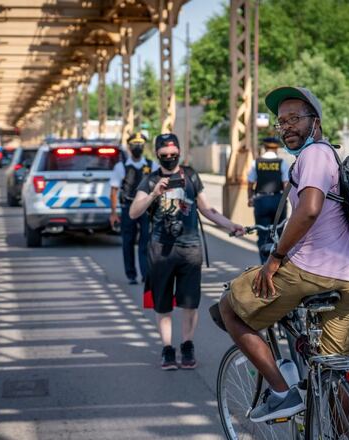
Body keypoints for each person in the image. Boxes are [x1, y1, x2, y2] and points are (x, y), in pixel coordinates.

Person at [218, 87, 349, 422]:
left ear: (315, 121)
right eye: (281, 122)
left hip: (314, 270)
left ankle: (282, 394)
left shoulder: (314, 155)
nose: (286, 127)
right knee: (331, 371)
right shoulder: (330, 155)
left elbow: (310, 209)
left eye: (294, 118)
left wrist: (275, 258)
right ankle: (345, 432)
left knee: (230, 307)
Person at [129, 133, 244, 370]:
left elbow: (206, 209)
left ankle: (187, 345)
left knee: (190, 303)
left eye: (174, 154)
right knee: (163, 304)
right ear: (157, 154)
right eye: (164, 155)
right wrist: (154, 194)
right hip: (161, 250)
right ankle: (167, 348)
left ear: (179, 152)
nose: (169, 158)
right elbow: (133, 213)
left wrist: (230, 225)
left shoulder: (190, 175)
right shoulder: (150, 180)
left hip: (190, 249)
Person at [110, 132, 158, 285]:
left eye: (140, 145)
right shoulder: (121, 167)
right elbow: (114, 191)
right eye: (134, 145)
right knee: (128, 242)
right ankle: (131, 274)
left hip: (146, 208)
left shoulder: (152, 166)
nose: (137, 148)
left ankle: (146, 274)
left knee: (146, 241)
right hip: (127, 207)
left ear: (144, 147)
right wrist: (113, 213)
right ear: (129, 147)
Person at [247, 137, 290, 263]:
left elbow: (250, 183)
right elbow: (286, 185)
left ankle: (264, 264)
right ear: (276, 148)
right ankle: (276, 264)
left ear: (264, 147)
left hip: (261, 201)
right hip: (278, 201)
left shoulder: (256, 162)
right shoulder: (282, 162)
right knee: (278, 234)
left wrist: (250, 199)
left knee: (263, 233)